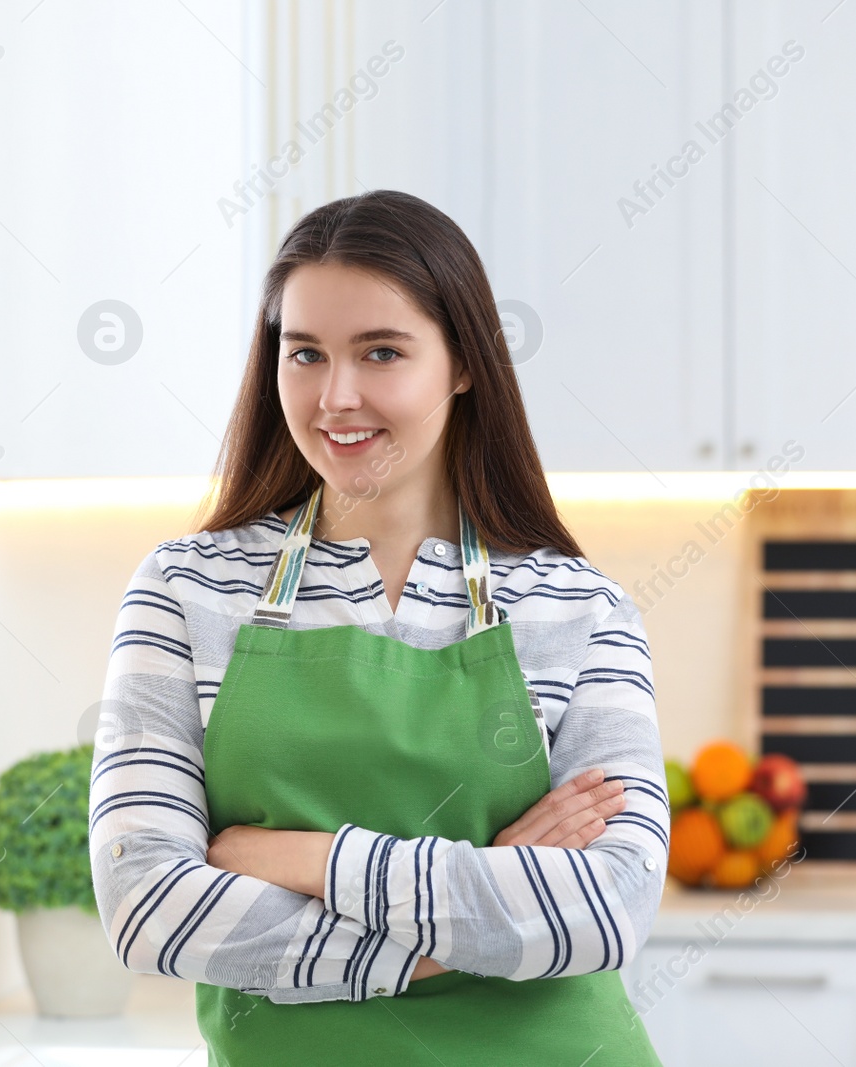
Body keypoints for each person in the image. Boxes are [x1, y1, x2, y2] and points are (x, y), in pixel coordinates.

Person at [89, 189, 667, 1065]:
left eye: (382, 352)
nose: (336, 396)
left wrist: (292, 856)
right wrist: (481, 918)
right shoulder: (186, 590)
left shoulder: (579, 606)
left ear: (463, 364)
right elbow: (146, 907)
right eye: (306, 353)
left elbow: (609, 908)